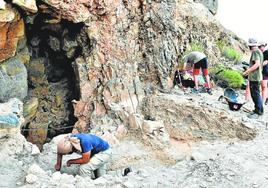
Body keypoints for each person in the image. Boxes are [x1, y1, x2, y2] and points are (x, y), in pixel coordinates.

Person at [243, 38, 264, 118]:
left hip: (255, 77)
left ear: (250, 45)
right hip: (257, 76)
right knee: (256, 94)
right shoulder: (259, 51)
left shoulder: (255, 51)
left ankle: (258, 112)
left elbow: (257, 64)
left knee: (255, 95)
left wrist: (247, 71)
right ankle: (257, 109)